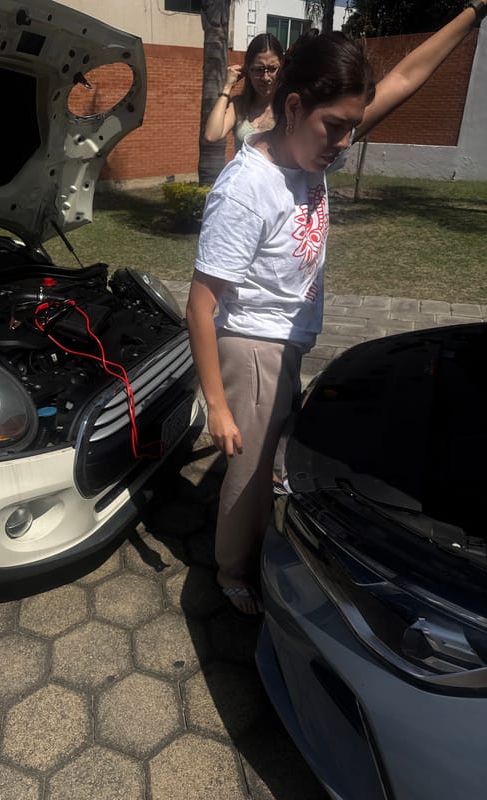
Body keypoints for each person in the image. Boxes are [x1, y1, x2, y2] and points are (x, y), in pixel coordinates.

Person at [186, 3, 486, 616]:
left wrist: (472, 12)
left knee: (268, 457)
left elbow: (405, 78)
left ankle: (252, 545)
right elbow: (200, 303)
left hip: (286, 338)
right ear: (294, 106)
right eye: (336, 127)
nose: (345, 141)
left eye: (352, 125)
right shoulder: (246, 190)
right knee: (247, 476)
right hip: (254, 344)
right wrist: (216, 403)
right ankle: (232, 572)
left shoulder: (312, 142)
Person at [204, 32, 284, 152]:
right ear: (248, 70)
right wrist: (227, 87)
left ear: (281, 68)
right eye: (258, 69)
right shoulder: (239, 106)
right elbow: (212, 135)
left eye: (272, 69)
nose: (266, 77)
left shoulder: (288, 107)